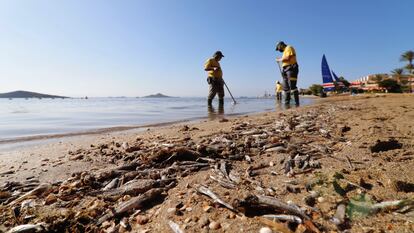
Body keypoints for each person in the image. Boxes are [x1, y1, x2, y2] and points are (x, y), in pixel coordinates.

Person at [275, 41, 300, 106]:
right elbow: (285, 59)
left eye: (278, 48)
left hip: (291, 68)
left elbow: (287, 58)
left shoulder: (289, 47)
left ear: (281, 45)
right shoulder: (284, 52)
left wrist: (279, 60)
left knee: (292, 86)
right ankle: (287, 104)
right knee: (286, 87)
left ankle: (297, 104)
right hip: (285, 70)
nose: (278, 50)